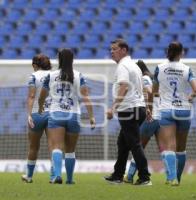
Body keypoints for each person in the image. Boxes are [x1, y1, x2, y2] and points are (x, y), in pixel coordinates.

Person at [38, 48, 95, 184]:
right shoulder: (78, 75)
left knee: (56, 146)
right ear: (72, 60)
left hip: (56, 113)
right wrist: (92, 116)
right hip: (74, 114)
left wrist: (40, 106)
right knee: (70, 150)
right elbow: (86, 97)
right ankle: (69, 179)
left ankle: (57, 175)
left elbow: (42, 95)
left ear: (59, 59)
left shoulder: (51, 76)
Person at [149, 41, 196, 186]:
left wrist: (150, 106)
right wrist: (190, 97)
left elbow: (154, 91)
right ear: (181, 53)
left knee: (170, 146)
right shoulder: (187, 69)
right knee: (181, 148)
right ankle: (178, 177)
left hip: (166, 109)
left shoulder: (160, 68)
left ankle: (172, 178)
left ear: (167, 52)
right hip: (183, 110)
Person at [105, 39, 151, 186]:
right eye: (111, 49)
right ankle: (118, 175)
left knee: (134, 144)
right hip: (139, 107)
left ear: (124, 50)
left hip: (129, 108)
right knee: (123, 143)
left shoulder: (123, 66)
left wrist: (113, 107)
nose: (112, 52)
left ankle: (145, 177)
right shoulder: (134, 66)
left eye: (115, 49)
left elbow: (124, 86)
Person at [123, 60, 160, 184]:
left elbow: (150, 92)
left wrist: (148, 107)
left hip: (149, 117)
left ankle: (130, 176)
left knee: (138, 146)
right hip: (159, 116)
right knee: (165, 148)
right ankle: (172, 178)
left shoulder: (144, 78)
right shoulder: (151, 78)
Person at [22, 54, 52, 183]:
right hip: (53, 113)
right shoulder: (55, 75)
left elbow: (31, 96)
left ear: (35, 65)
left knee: (33, 147)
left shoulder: (33, 76)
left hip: (37, 114)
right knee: (54, 146)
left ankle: (28, 176)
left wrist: (29, 114)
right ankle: (54, 176)